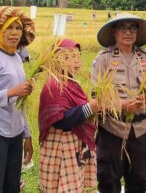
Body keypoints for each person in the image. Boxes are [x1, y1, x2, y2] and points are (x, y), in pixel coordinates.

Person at [92, 13, 146, 193]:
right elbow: (98, 96)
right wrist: (122, 105)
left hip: (140, 129)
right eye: (123, 28)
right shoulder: (104, 58)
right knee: (108, 180)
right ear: (114, 31)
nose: (128, 32)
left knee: (138, 179)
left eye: (132, 28)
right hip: (112, 128)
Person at [0, 6, 35, 192]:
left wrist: (27, 134)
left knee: (12, 187)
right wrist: (11, 92)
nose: (14, 33)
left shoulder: (16, 57)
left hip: (15, 134)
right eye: (8, 27)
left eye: (18, 28)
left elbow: (20, 102)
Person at [38, 39, 99, 192]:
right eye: (68, 57)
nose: (76, 61)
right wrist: (90, 107)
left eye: (77, 56)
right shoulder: (54, 85)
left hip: (73, 144)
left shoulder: (72, 83)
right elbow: (60, 121)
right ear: (56, 60)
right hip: (61, 146)